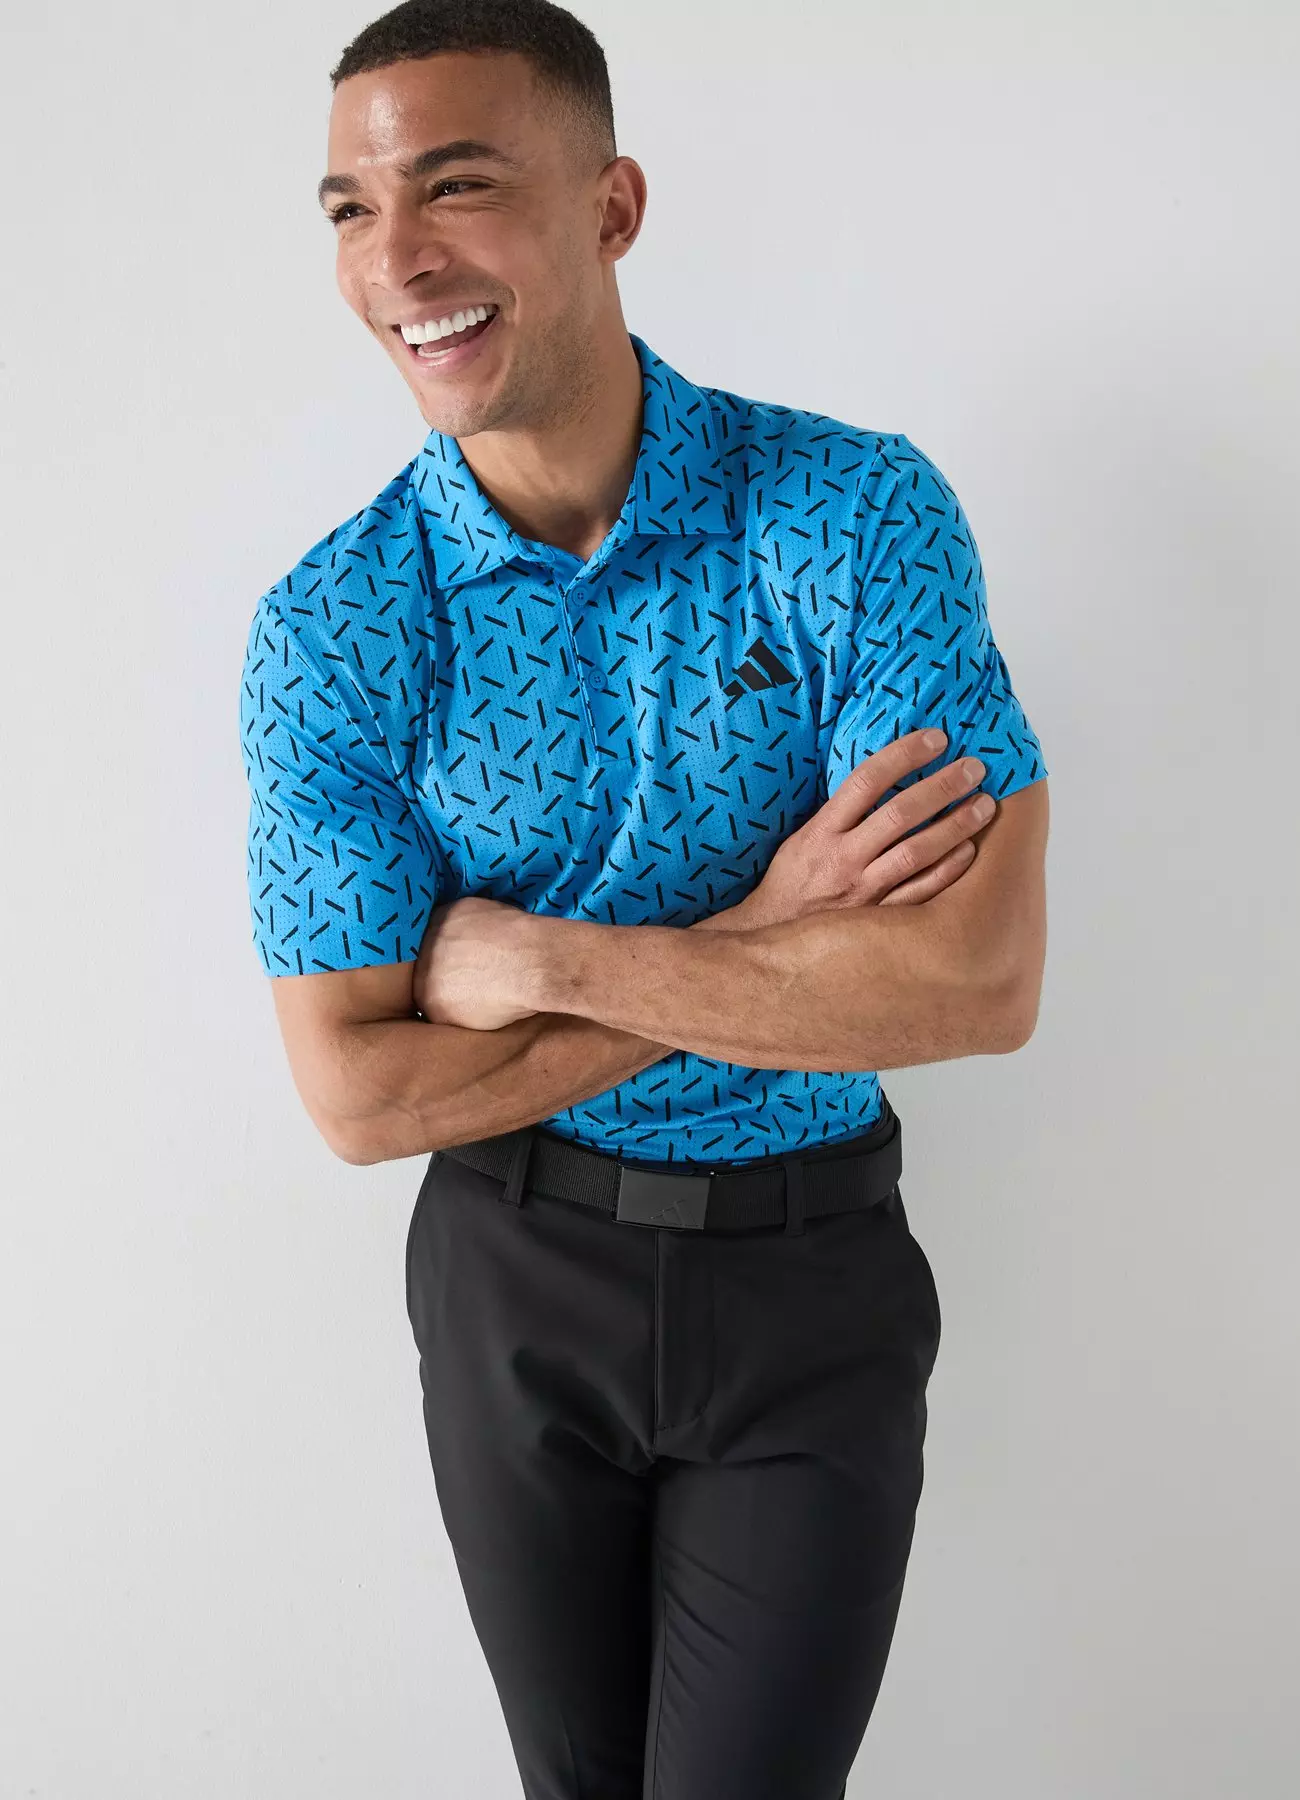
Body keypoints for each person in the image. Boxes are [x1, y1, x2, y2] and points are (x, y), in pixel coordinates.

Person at [237, 2, 1051, 1794]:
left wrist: (537, 961)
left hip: (810, 1274)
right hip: (512, 1281)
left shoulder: (853, 517)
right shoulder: (335, 630)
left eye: (456, 186)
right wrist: (767, 933)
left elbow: (977, 982)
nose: (397, 260)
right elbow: (359, 1097)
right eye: (352, 209)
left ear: (611, 206)